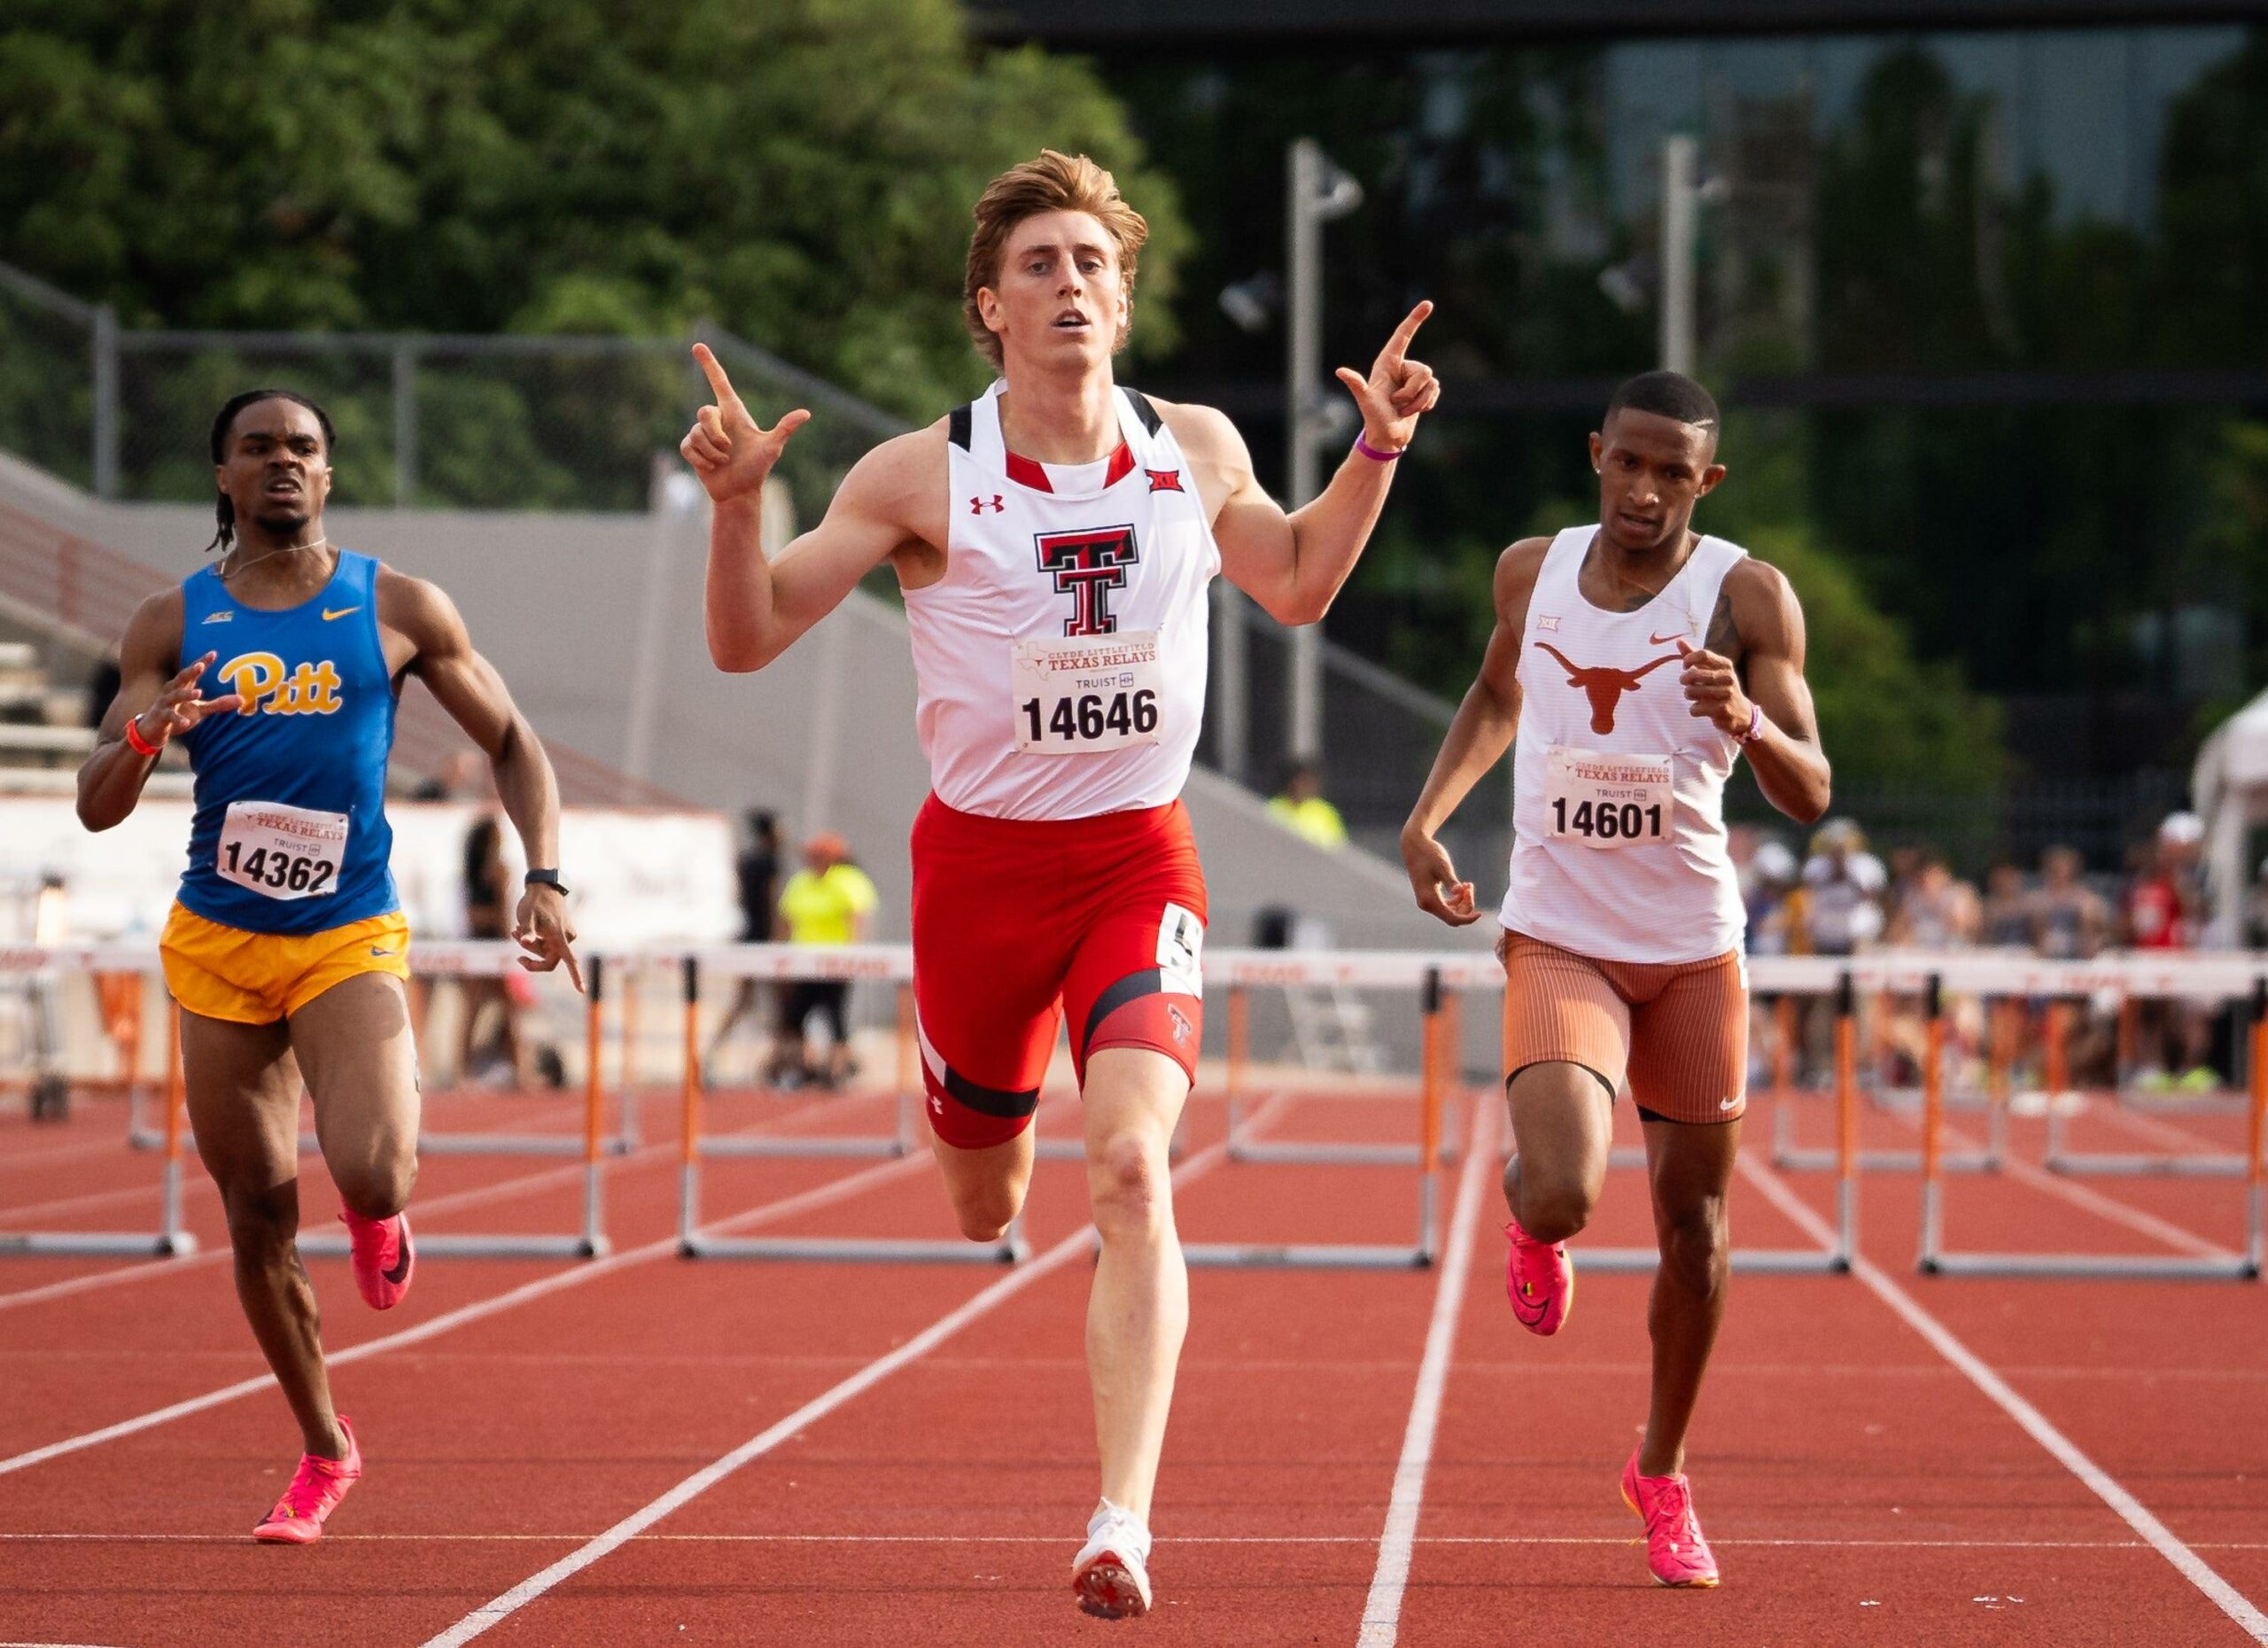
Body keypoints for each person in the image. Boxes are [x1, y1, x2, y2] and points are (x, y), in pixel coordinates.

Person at [680, 150, 1437, 1617]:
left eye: (1093, 262)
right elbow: (747, 638)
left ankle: (1121, 1519)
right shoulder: (917, 473)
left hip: (1137, 858)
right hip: (977, 872)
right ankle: (985, 1125)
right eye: (1041, 265)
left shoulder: (1197, 446)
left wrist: (1377, 453)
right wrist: (734, 512)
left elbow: (1293, 585)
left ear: (1124, 299)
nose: (1071, 284)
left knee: (1135, 1164)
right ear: (992, 307)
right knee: (983, 1201)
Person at [74, 389, 580, 1544]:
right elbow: (99, 799)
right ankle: (323, 1446)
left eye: (303, 448)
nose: (283, 464)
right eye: (258, 448)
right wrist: (153, 734)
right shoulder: (172, 621)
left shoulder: (394, 605)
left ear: (329, 475)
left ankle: (378, 1213)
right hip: (219, 946)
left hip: (346, 936)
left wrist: (542, 873)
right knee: (255, 1213)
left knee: (376, 1175)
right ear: (224, 476)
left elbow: (512, 742)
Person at [1398, 370, 1829, 1590]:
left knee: (1694, 1234)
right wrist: (1429, 819)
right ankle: (1527, 1209)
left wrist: (1746, 720)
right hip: (1562, 933)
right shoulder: (1530, 571)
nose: (1645, 491)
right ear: (1597, 453)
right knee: (1565, 1199)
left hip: (1692, 946)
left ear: (1710, 480)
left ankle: (1662, 1472)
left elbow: (1813, 789)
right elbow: (1497, 690)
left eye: (1672, 473)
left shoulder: (1746, 594)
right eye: (1627, 464)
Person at [768, 832, 878, 1089]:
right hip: (803, 963)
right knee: (795, 1017)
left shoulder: (847, 881)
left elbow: (856, 917)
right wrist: (777, 956)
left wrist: (852, 955)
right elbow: (785, 920)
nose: (813, 860)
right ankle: (805, 1065)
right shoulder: (800, 883)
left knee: (835, 1017)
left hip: (835, 963)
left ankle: (837, 1069)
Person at [704, 809, 783, 1083]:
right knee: (775, 1003)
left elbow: (739, 898)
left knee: (745, 1001)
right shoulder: (770, 862)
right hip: (762, 939)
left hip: (746, 935)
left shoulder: (745, 860)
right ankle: (782, 1060)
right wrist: (777, 939)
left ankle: (711, 1055)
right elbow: (772, 902)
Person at [1266, 759, 1348, 850]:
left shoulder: (1325, 812)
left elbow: (1338, 848)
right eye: (1302, 781)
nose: (1307, 786)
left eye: (1310, 781)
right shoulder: (1274, 808)